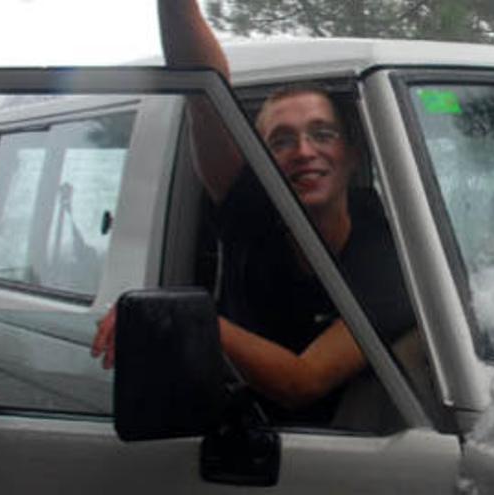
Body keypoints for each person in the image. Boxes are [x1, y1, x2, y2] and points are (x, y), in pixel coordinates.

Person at [91, 0, 415, 424]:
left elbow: (303, 381)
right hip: (239, 438)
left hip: (347, 453)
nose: (303, 152)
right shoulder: (253, 211)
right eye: (281, 141)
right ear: (260, 161)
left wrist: (181, 317)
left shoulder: (392, 254)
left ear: (351, 153)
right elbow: (205, 97)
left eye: (322, 133)